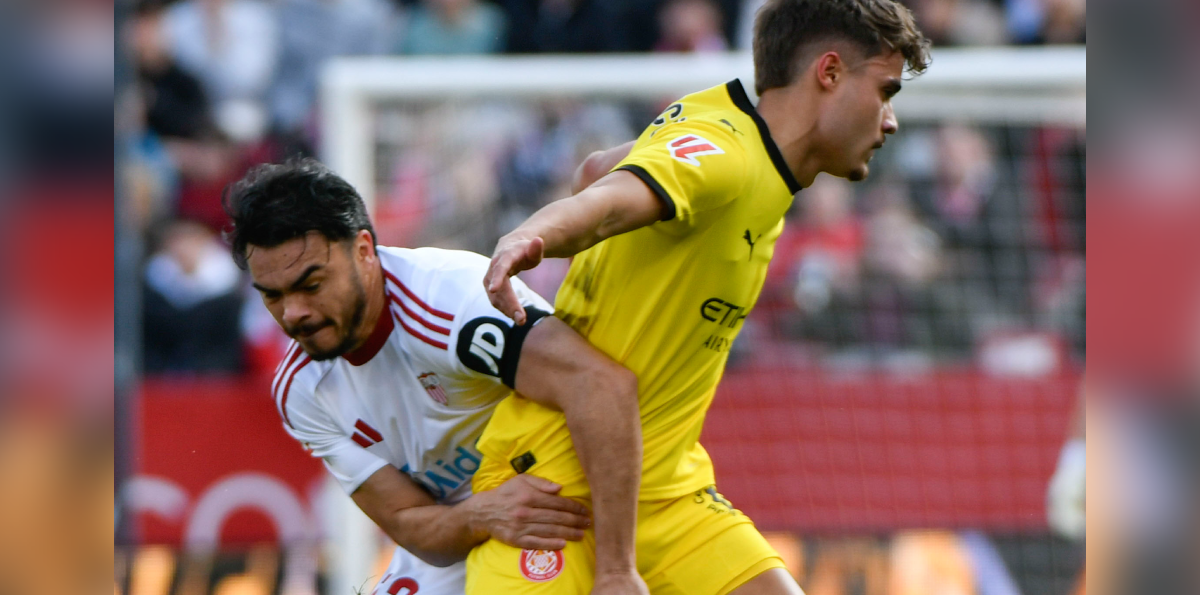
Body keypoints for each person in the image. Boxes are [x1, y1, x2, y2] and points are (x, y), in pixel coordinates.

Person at [478, 0, 931, 593]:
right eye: (886, 90)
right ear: (829, 72)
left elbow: (596, 169)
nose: (890, 120)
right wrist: (533, 235)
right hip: (555, 490)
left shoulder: (722, 120)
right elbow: (607, 199)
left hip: (667, 488)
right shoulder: (729, 157)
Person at [223, 159, 648, 595]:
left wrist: (616, 571)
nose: (293, 314)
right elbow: (409, 522)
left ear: (364, 250)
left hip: (580, 495)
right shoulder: (300, 391)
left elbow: (599, 385)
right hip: (475, 531)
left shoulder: (451, 299)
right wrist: (482, 514)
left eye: (311, 285)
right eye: (273, 296)